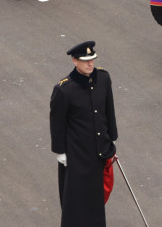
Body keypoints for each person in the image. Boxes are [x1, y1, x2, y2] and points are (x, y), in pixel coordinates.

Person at [50, 41, 118, 227]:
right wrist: (60, 152)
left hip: (99, 149)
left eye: (92, 60)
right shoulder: (64, 90)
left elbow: (107, 109)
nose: (90, 64)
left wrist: (111, 138)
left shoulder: (103, 78)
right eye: (85, 61)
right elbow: (57, 122)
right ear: (74, 61)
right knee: (76, 200)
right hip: (77, 153)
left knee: (96, 199)